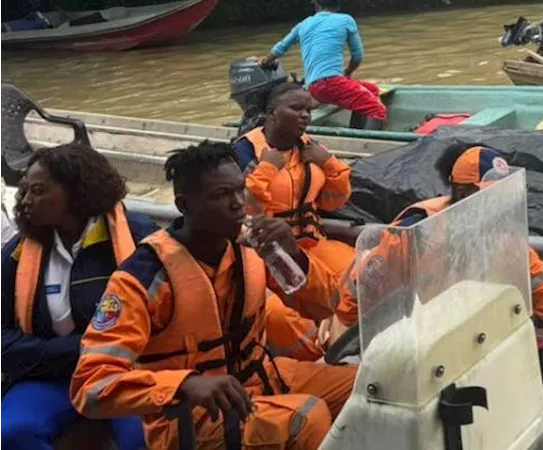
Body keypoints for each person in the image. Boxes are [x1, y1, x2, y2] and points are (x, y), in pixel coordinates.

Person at [71, 142, 354, 449]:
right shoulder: (143, 277)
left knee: (363, 385)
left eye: (239, 191)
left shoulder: (252, 248)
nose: (238, 204)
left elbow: (325, 304)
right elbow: (91, 385)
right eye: (221, 195)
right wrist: (184, 385)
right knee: (307, 418)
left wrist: (293, 253)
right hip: (192, 415)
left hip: (264, 378)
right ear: (184, 206)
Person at [335, 144, 543, 388]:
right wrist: (349, 337)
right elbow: (360, 291)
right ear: (461, 192)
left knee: (540, 346)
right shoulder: (416, 230)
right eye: (489, 197)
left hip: (469, 334)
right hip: (417, 341)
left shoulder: (504, 239)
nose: (498, 206)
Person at [0, 145, 154, 450]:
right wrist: (73, 351)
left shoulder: (138, 239)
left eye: (39, 191)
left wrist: (98, 354)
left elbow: (163, 319)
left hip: (125, 372)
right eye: (25, 190)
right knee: (12, 432)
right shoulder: (18, 253)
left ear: (76, 191)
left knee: (144, 438)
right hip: (51, 375)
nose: (26, 200)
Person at [232, 82, 355, 277]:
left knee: (360, 273)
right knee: (286, 305)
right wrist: (267, 169)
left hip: (313, 246)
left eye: (308, 110)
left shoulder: (311, 147)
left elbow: (334, 202)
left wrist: (329, 163)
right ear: (272, 112)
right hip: (265, 252)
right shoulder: (245, 151)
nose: (305, 115)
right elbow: (245, 209)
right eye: (296, 108)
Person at [259, 0, 386, 125]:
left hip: (314, 88)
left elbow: (281, 47)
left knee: (373, 89)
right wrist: (348, 72)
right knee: (378, 110)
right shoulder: (346, 20)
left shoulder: (303, 24)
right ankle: (369, 144)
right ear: (337, 7)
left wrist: (265, 61)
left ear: (317, 6)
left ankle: (357, 131)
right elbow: (357, 56)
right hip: (333, 84)